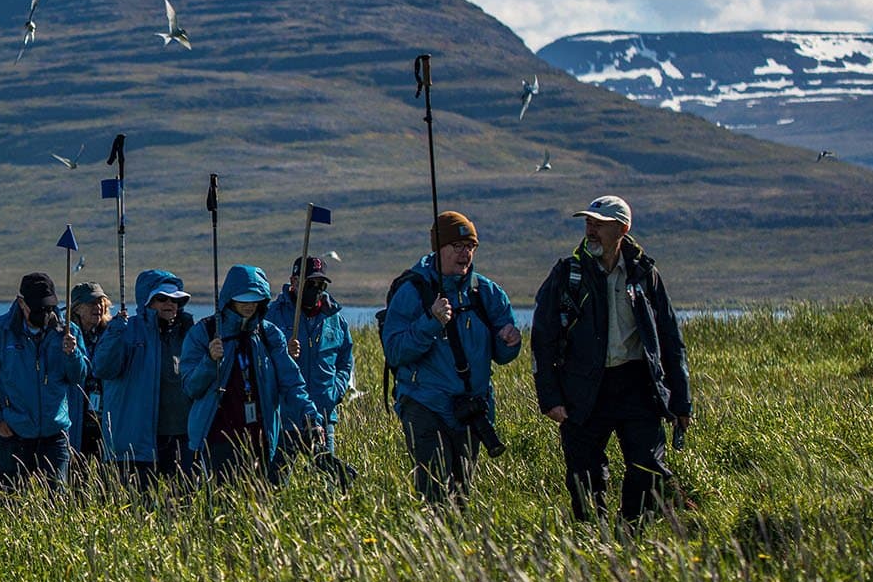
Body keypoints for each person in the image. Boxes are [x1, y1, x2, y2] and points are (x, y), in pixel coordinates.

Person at [532, 195, 693, 523]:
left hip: (637, 384)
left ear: (622, 228)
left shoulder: (645, 273)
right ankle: (593, 535)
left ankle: (630, 533)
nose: (590, 231)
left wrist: (681, 403)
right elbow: (542, 340)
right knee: (583, 473)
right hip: (583, 387)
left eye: (599, 225)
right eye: (588, 223)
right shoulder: (566, 274)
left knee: (647, 467)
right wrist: (550, 397)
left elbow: (670, 339)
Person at [380, 211, 522, 505]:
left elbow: (503, 355)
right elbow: (395, 351)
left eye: (470, 246)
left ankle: (453, 548)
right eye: (456, 246)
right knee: (434, 493)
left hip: (471, 409)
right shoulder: (412, 292)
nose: (465, 253)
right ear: (438, 248)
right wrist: (431, 322)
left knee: (461, 495)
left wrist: (510, 343)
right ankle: (432, 544)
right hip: (423, 403)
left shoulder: (488, 294)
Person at [181, 264, 319, 485]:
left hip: (262, 439)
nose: (249, 305)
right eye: (243, 298)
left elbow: (292, 382)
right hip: (218, 439)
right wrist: (210, 361)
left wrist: (310, 416)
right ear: (229, 298)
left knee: (262, 506)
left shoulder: (269, 334)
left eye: (254, 298)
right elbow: (191, 387)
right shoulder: (204, 333)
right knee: (222, 508)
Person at [0, 272, 87, 493]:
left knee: (57, 503)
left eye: (49, 308)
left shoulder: (68, 332)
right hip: (12, 434)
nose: (45, 314)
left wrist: (72, 354)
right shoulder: (0, 331)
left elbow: (79, 377)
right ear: (21, 302)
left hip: (55, 434)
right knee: (10, 503)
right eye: (38, 309)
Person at [90, 269, 198, 491]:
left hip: (181, 436)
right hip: (137, 441)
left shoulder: (188, 333)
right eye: (162, 299)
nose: (170, 304)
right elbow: (102, 368)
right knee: (138, 509)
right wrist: (114, 333)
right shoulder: (126, 330)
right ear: (147, 302)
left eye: (176, 299)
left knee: (184, 505)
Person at [267, 255, 355, 482]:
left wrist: (335, 390)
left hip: (323, 417)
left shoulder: (335, 319)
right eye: (310, 283)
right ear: (294, 282)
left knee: (329, 484)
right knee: (275, 485)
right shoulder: (272, 315)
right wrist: (283, 353)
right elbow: (261, 360)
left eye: (321, 285)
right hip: (285, 418)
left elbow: (346, 359)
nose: (316, 289)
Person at [67, 281, 113, 480]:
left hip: (105, 418)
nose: (98, 307)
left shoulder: (112, 333)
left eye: (101, 302)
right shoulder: (65, 335)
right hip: (76, 417)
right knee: (76, 476)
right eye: (91, 303)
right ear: (76, 307)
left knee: (106, 478)